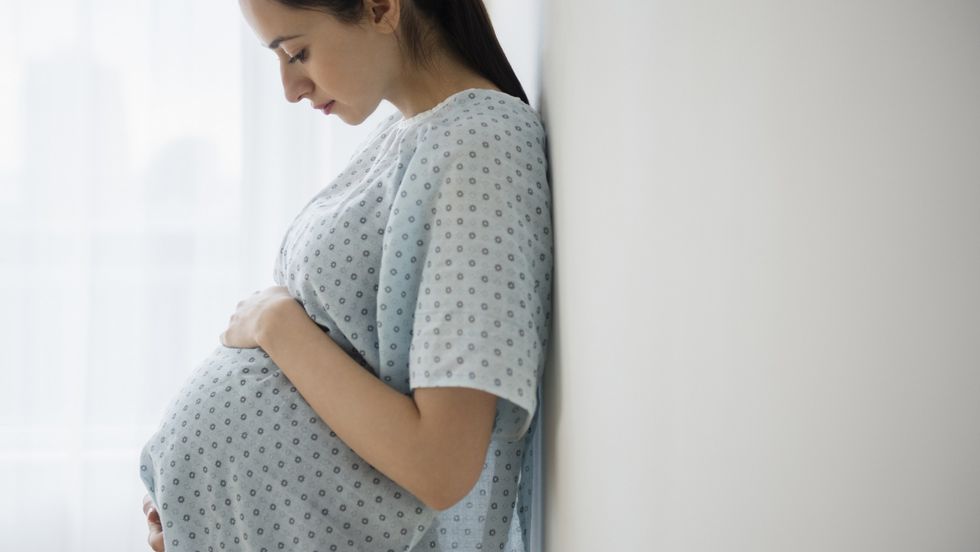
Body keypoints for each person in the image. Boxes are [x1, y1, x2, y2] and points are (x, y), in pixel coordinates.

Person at [139, 0, 553, 550]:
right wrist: (194, 495)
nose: (290, 87)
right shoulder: (409, 134)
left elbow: (443, 463)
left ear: (381, 8)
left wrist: (276, 324)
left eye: (297, 52)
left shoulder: (479, 147)